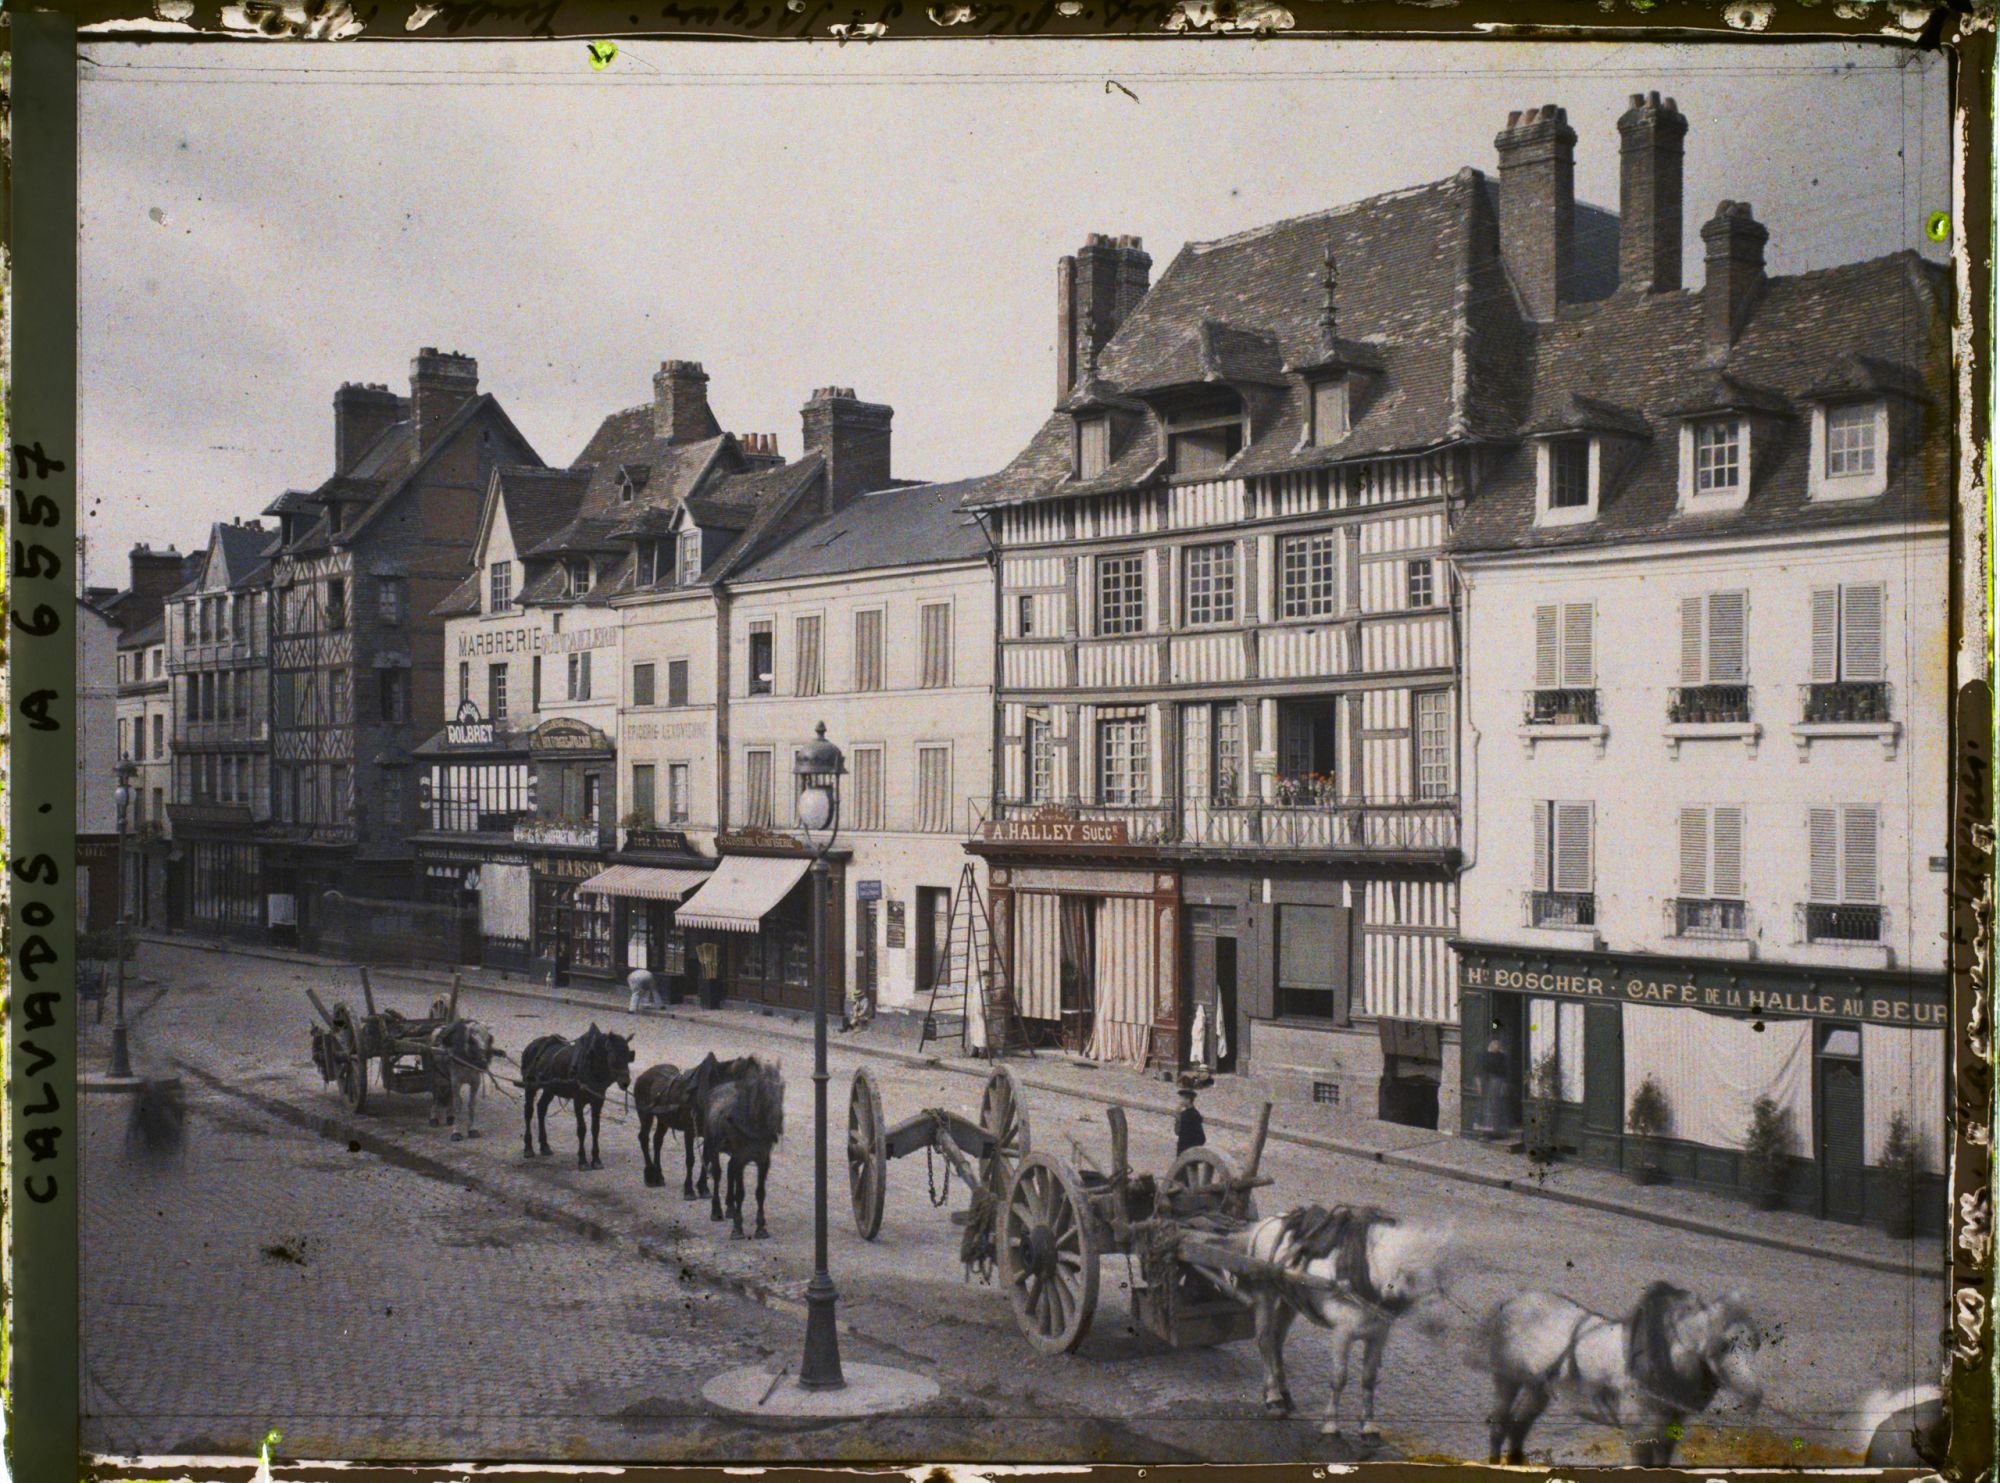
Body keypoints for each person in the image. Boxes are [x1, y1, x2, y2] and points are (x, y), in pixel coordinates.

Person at [1479, 1034, 1511, 1140]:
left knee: (1494, 1107)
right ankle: (1489, 1132)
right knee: (1490, 1107)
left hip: (1496, 1082)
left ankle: (1494, 1132)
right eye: (1494, 1044)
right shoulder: (1488, 1056)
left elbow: (1504, 1072)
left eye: (1497, 1044)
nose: (1495, 1045)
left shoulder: (1501, 1057)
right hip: (1489, 1082)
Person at [1175, 1084, 1207, 1155]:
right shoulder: (1183, 1114)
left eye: (1182, 1098)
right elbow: (1177, 1132)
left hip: (1189, 1154)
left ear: (1188, 1100)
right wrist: (1177, 1116)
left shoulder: (1194, 1115)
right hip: (1181, 1151)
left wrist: (1192, 1151)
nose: (1180, 1101)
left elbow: (1201, 1138)